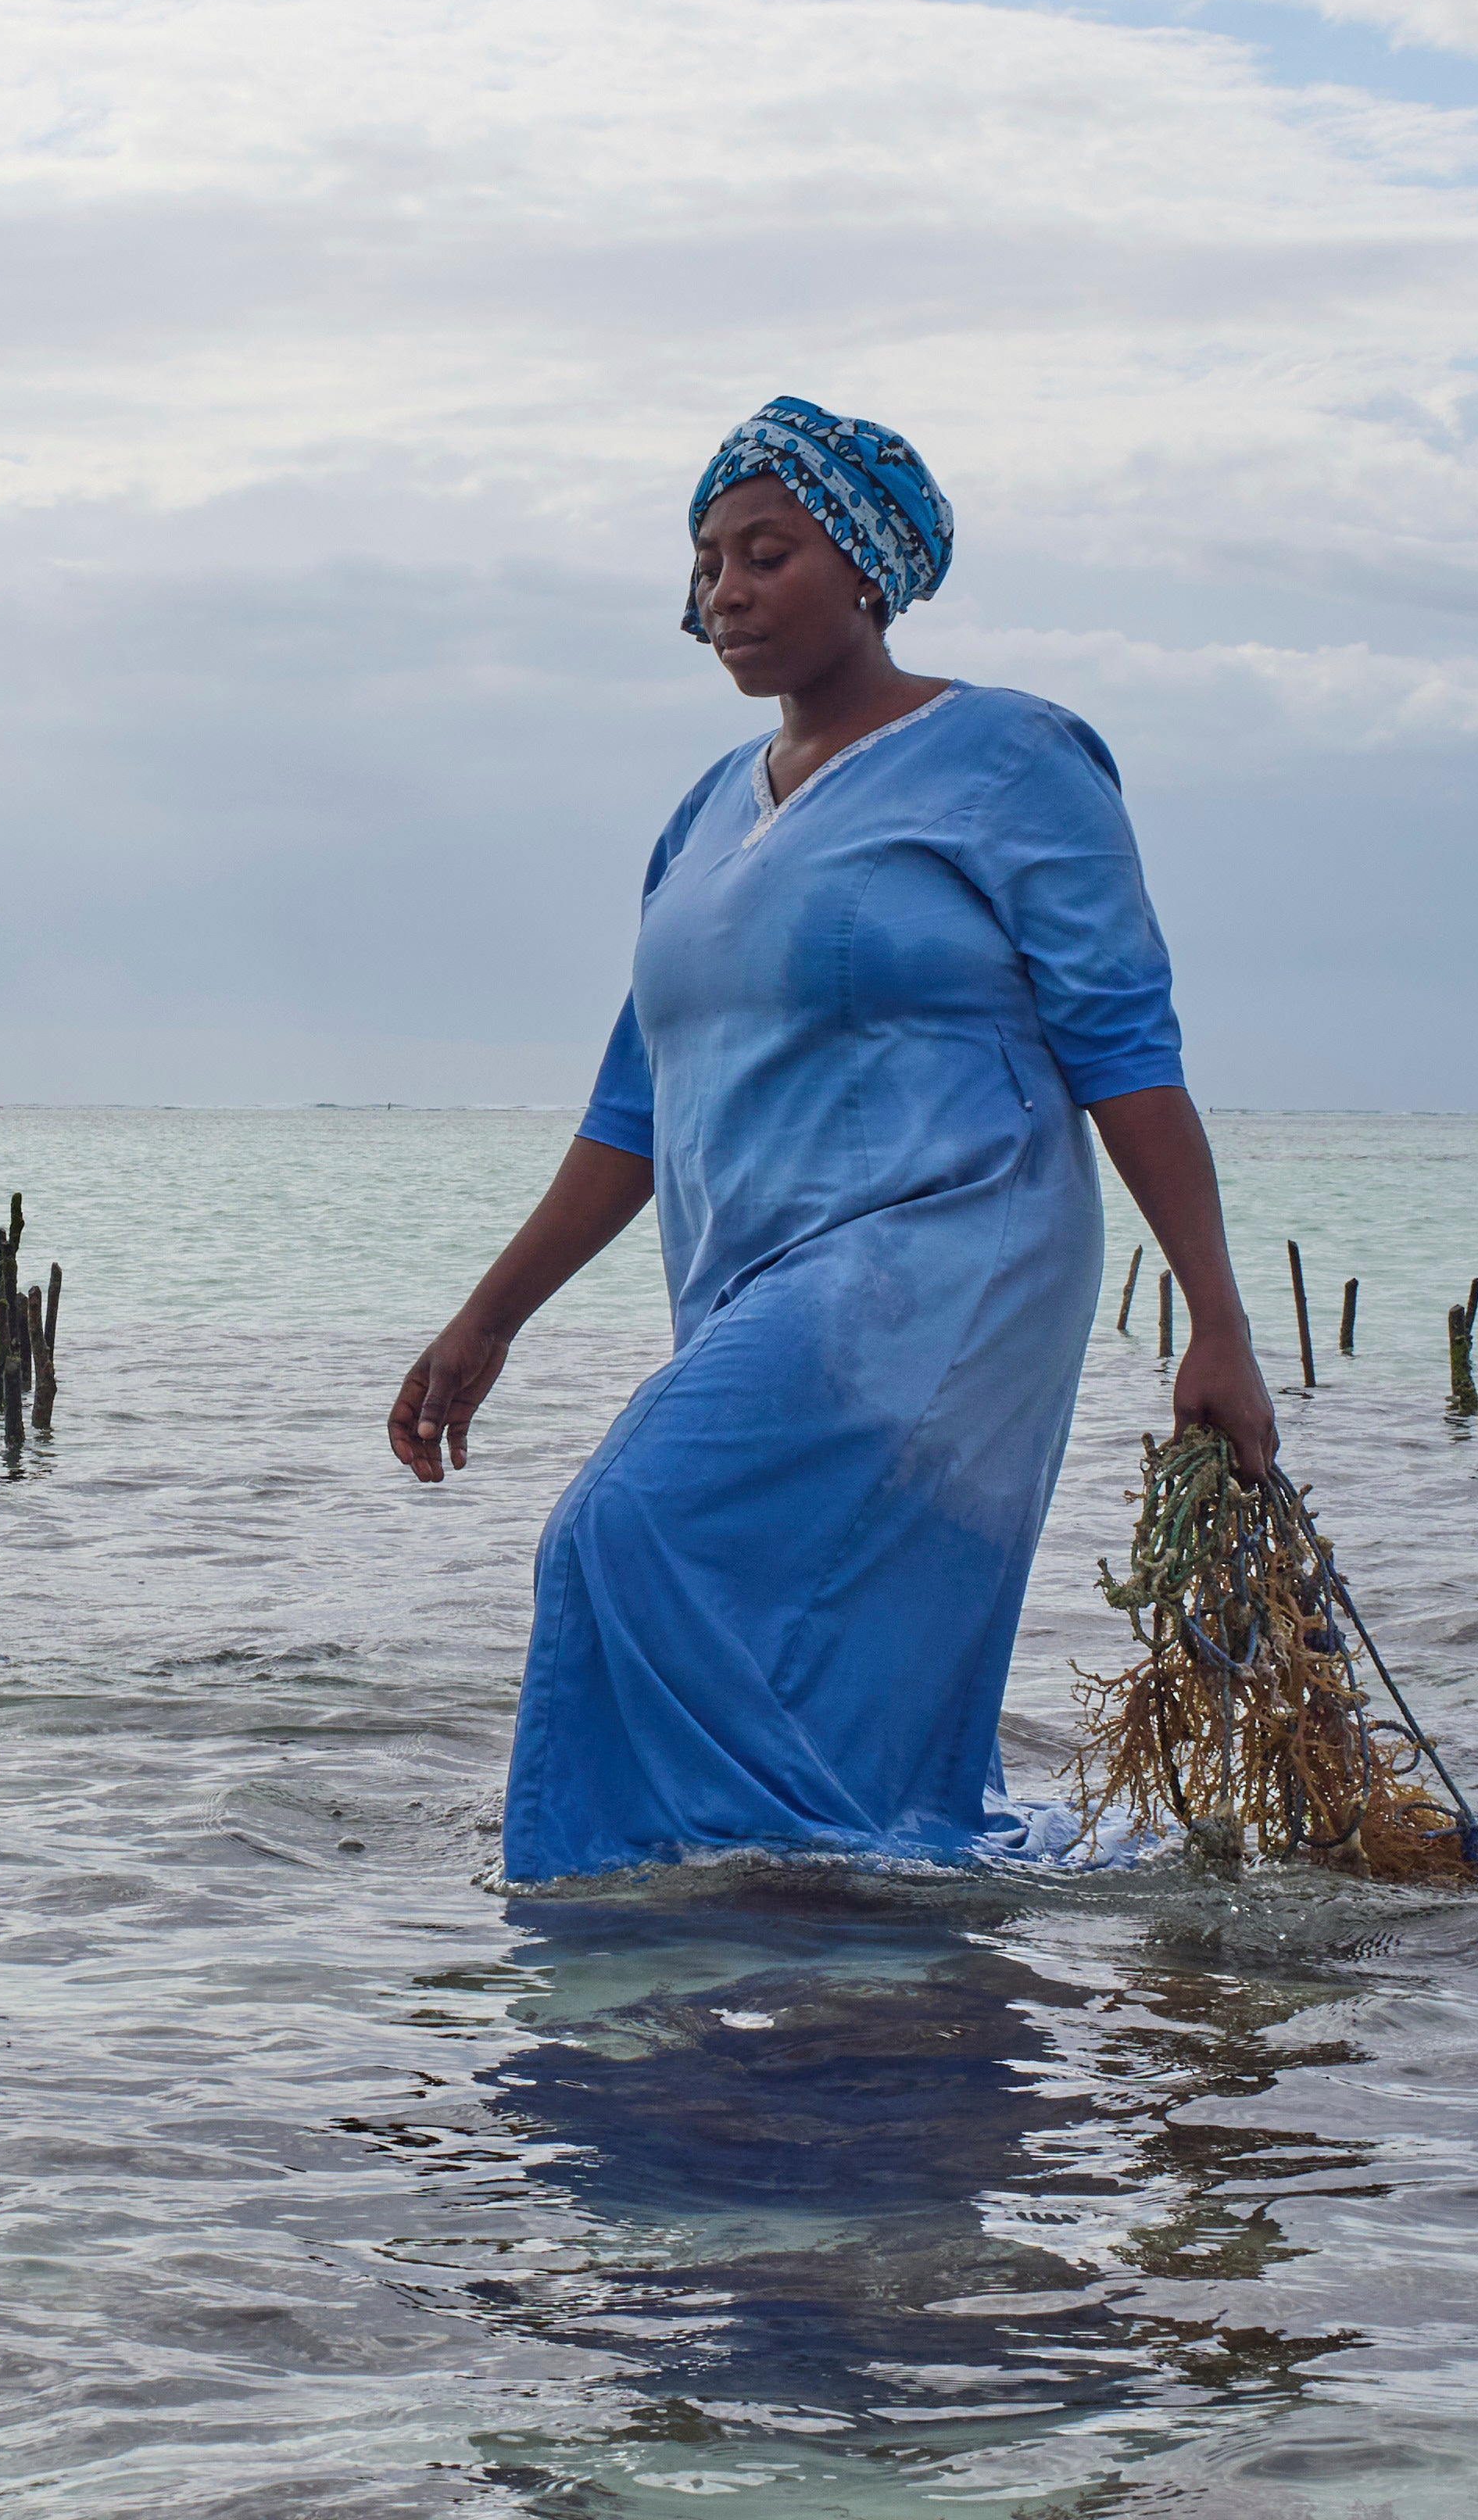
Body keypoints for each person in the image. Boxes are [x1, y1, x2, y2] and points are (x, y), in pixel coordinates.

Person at [387, 397, 1274, 1882]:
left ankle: (621, 1919)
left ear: (864, 565)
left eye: (764, 552)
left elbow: (1125, 1049)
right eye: (704, 559)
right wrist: (489, 1318)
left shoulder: (1007, 757)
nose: (721, 590)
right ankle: (834, 1977)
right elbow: (632, 1104)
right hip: (746, 1270)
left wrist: (1215, 1323)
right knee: (823, 1633)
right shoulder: (697, 817)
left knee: (618, 1530)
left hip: (948, 1252)